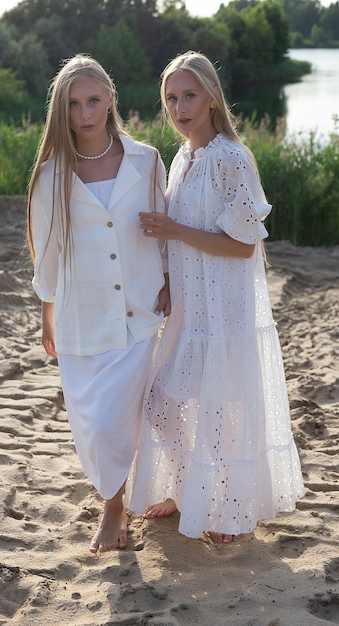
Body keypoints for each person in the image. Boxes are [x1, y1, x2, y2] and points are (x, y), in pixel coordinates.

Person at [125, 51, 304, 544]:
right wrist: (166, 279)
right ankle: (188, 490)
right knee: (163, 404)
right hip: (188, 308)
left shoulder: (229, 157)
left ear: (211, 98)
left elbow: (243, 243)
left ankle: (224, 509)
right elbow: (179, 240)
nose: (179, 107)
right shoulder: (184, 157)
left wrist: (176, 231)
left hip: (223, 311)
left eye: (189, 95)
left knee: (219, 410)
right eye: (171, 98)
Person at [27, 54, 170, 554]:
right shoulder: (50, 176)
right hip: (80, 313)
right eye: (73, 104)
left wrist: (170, 278)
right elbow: (46, 251)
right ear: (62, 112)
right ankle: (115, 497)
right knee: (92, 422)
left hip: (139, 309)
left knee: (125, 417)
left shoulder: (147, 159)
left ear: (111, 97)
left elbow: (162, 229)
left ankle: (115, 509)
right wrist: (46, 311)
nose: (85, 113)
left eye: (93, 100)